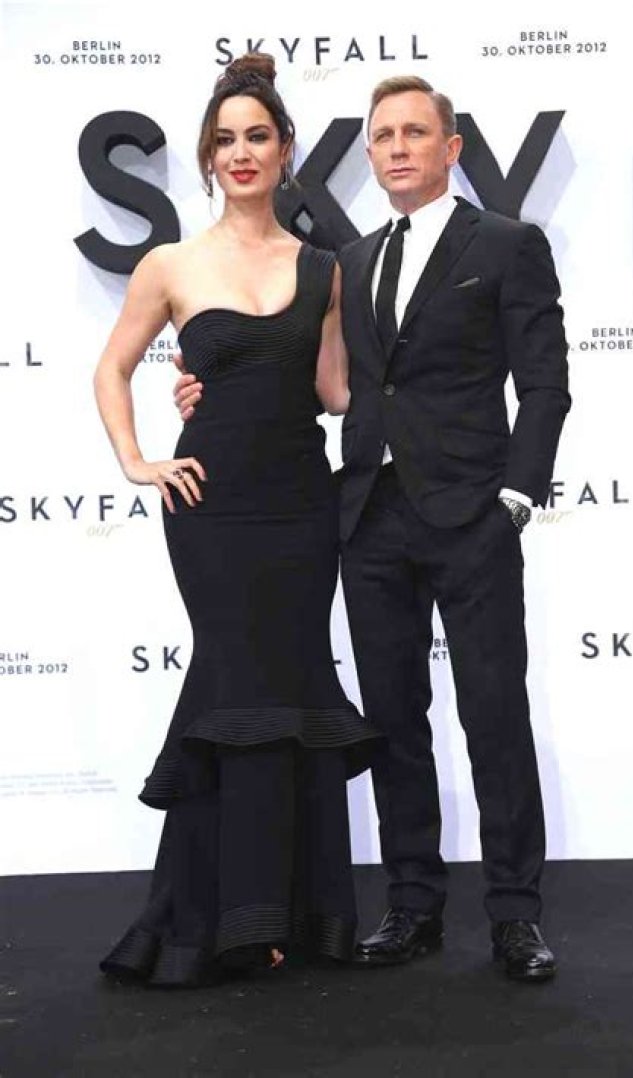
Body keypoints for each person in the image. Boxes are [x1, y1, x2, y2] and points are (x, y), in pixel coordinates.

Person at [175, 75, 570, 983]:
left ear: (450, 148)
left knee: (494, 714)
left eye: (414, 132)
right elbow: (322, 382)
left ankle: (515, 915)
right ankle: (413, 904)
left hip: (471, 515)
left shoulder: (506, 244)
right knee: (392, 720)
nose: (396, 147)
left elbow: (545, 384)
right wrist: (207, 387)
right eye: (383, 135)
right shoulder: (348, 262)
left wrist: (516, 498)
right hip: (369, 517)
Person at [93, 53, 380, 988]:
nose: (242, 152)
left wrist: (426, 390)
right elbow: (111, 368)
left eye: (258, 135)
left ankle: (284, 914)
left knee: (292, 689)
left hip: (302, 506)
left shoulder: (325, 269)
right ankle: (220, 916)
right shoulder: (171, 264)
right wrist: (138, 459)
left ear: (286, 148)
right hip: (211, 507)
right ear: (209, 157)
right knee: (234, 689)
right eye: (226, 140)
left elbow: (334, 391)